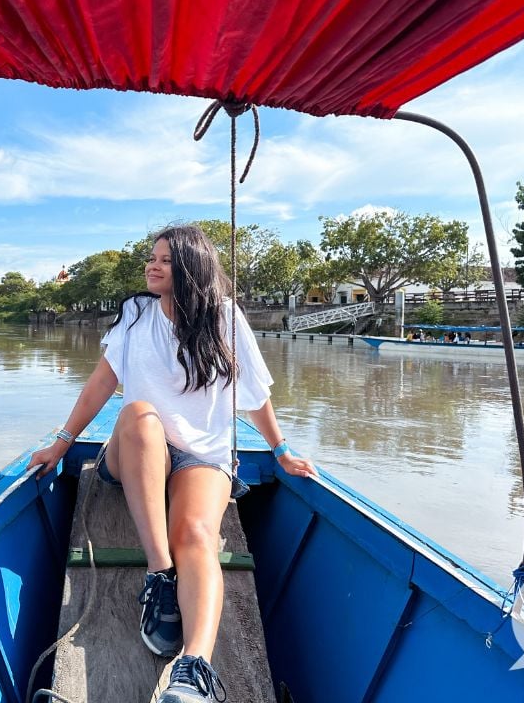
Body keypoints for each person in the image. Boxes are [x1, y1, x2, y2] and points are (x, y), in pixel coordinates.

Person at [27, 224, 317, 702]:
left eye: (163, 259)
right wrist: (62, 443)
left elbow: (254, 396)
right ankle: (160, 576)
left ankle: (194, 668)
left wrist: (281, 450)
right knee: (139, 413)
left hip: (201, 455)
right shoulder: (135, 314)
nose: (151, 265)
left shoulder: (225, 317)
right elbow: (101, 384)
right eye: (152, 257)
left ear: (190, 267)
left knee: (199, 534)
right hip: (138, 450)